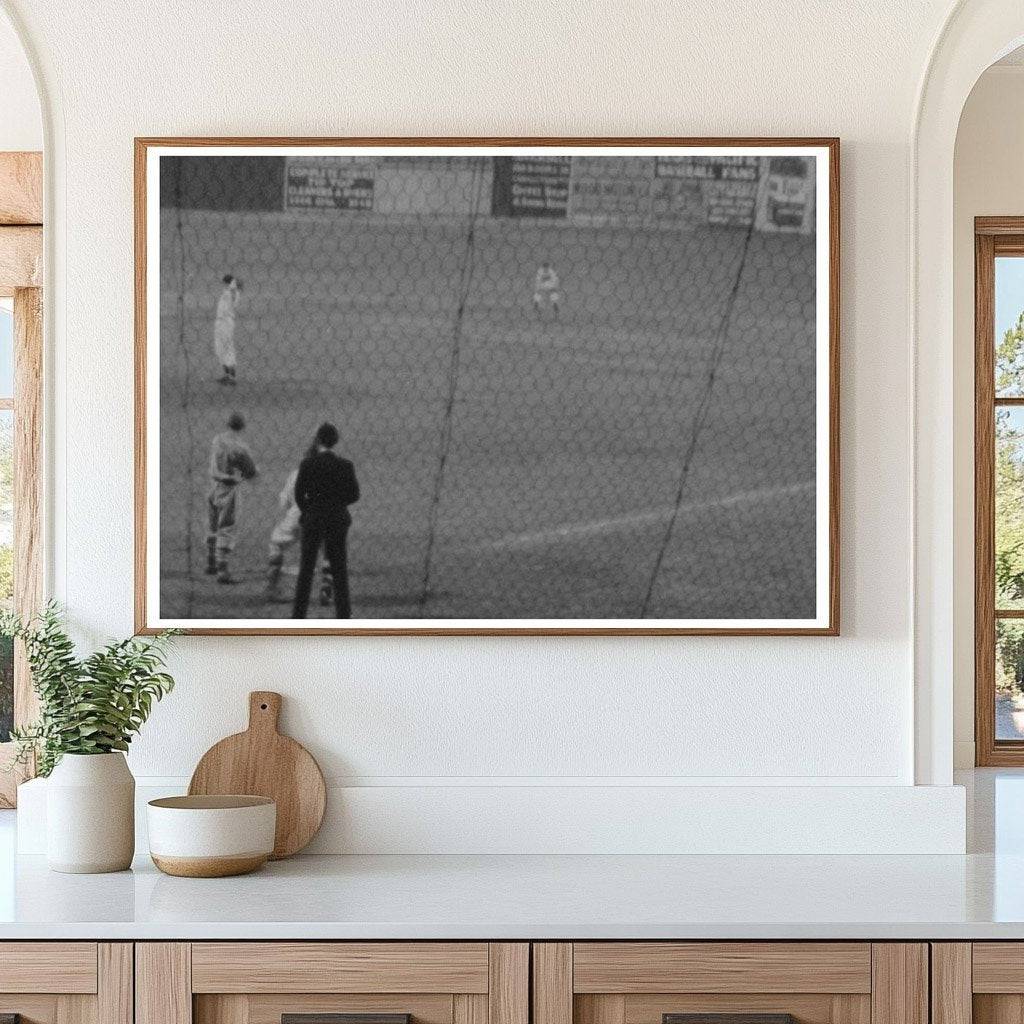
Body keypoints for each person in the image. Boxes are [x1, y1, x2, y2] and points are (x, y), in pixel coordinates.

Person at [292, 422, 359, 619]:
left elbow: (298, 494)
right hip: (337, 520)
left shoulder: (308, 464)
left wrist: (310, 510)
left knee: (306, 569)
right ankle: (343, 615)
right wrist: (338, 504)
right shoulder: (345, 466)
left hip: (313, 519)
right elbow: (354, 495)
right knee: (339, 569)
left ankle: (298, 615)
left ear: (318, 440)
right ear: (335, 441)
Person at [265, 442, 334, 606]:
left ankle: (272, 588)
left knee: (276, 544)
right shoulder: (330, 474)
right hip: (322, 518)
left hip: (298, 517)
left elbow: (284, 502)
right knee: (329, 551)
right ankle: (326, 589)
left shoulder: (297, 473)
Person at [205, 412, 258, 584]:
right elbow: (250, 472)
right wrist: (255, 472)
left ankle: (210, 561)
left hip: (212, 487)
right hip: (228, 490)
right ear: (243, 426)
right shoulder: (240, 447)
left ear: (228, 424)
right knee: (226, 527)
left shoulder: (217, 439)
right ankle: (223, 570)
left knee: (212, 525)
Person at [214, 274, 242, 385]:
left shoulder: (232, 292)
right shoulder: (228, 291)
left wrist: (233, 285)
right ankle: (226, 375)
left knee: (227, 348)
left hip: (226, 323)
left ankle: (232, 377)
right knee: (219, 348)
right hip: (220, 322)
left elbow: (234, 294)